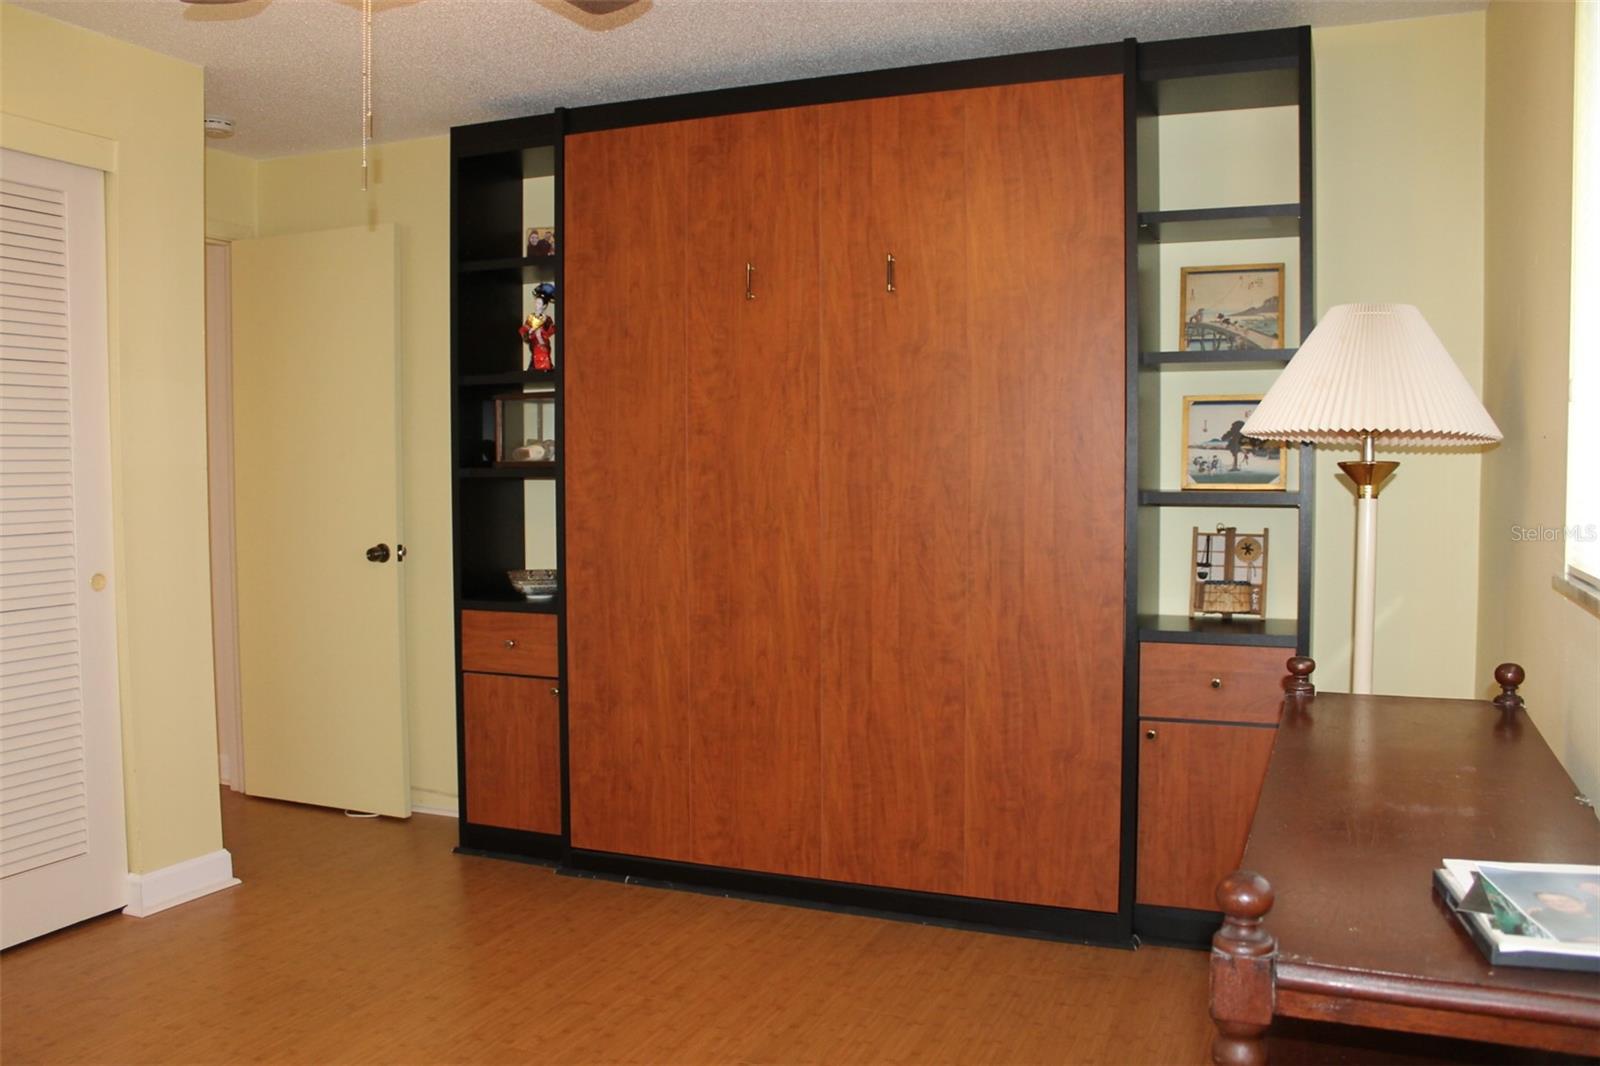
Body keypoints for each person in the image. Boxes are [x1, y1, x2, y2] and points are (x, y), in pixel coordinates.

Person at [520, 282, 557, 371]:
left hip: (543, 342)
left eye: (539, 303)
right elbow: (524, 330)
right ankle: (533, 367)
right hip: (534, 342)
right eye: (536, 302)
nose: (537, 305)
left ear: (544, 306)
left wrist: (540, 334)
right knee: (534, 356)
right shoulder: (531, 318)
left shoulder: (547, 319)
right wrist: (528, 333)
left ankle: (548, 367)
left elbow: (550, 330)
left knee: (544, 355)